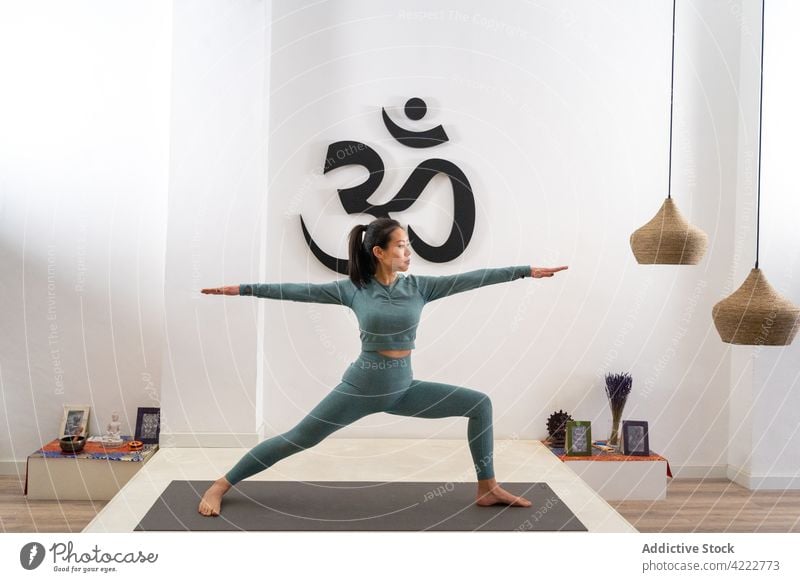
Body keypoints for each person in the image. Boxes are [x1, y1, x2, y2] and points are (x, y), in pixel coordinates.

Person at [198, 218, 568, 516]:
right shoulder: (353, 289)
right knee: (299, 439)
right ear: (379, 251)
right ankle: (221, 485)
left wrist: (524, 271)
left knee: (479, 404)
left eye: (408, 244)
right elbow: (297, 290)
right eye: (401, 245)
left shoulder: (419, 287)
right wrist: (243, 289)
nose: (409, 251)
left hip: (403, 388)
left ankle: (487, 487)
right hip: (360, 388)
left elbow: (473, 279)